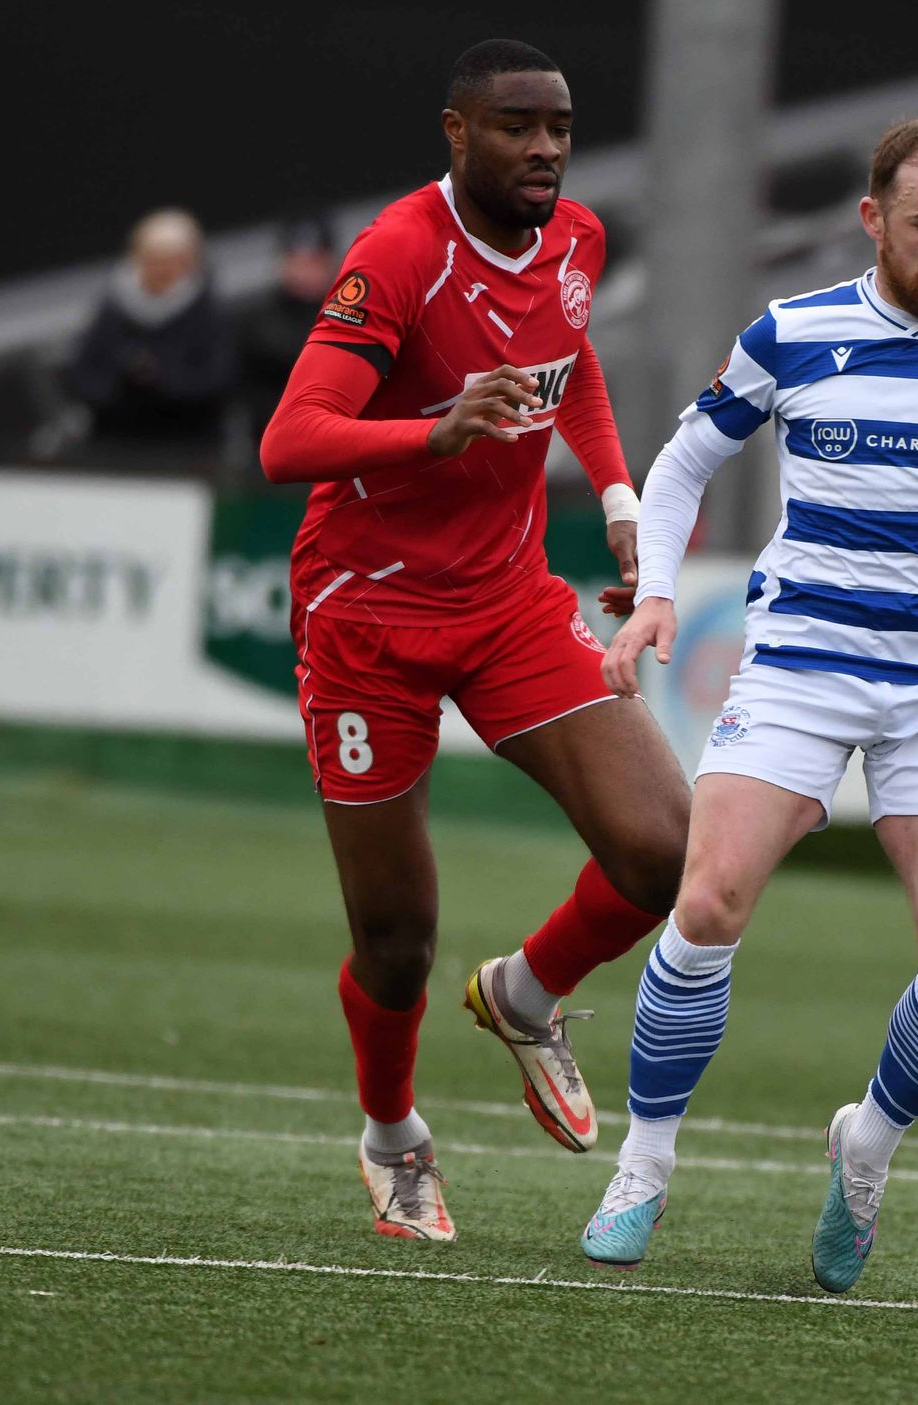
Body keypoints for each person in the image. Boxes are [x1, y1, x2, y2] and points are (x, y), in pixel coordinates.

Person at [586, 116, 918, 1287]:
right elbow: (682, 465)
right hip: (801, 668)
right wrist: (658, 590)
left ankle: (867, 1145)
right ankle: (643, 1166)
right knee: (708, 897)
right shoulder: (793, 333)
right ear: (873, 219)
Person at [259, 38, 690, 1242]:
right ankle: (393, 1132)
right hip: (368, 621)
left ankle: (526, 990)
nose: (545, 148)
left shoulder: (577, 240)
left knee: (664, 850)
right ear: (457, 134)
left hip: (507, 600)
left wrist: (618, 496)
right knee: (396, 943)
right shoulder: (399, 254)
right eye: (516, 126)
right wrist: (433, 433)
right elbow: (290, 440)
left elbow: (570, 359)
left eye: (560, 127)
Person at [58, 207, 236, 461]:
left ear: (189, 261)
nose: (159, 270)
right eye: (152, 259)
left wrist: (163, 379)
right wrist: (123, 383)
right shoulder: (113, 310)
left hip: (188, 446)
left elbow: (219, 379)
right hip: (115, 444)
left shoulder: (209, 313)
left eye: (169, 261)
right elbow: (81, 373)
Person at [237, 214, 340, 442]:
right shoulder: (256, 321)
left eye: (314, 261)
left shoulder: (352, 313)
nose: (304, 272)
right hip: (275, 440)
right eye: (296, 260)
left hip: (337, 437)